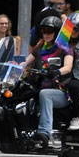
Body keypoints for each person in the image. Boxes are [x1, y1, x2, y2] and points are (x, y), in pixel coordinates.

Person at [25, 15, 74, 147]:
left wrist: (57, 71)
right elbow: (25, 62)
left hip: (61, 92)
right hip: (41, 88)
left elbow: (68, 67)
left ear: (57, 33)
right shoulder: (40, 49)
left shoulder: (65, 49)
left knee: (45, 94)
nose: (45, 34)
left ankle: (44, 133)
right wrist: (12, 65)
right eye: (43, 31)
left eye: (49, 31)